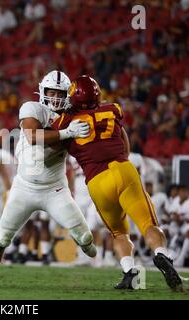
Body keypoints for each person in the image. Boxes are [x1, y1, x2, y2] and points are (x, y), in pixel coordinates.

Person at [0, 70, 96, 284]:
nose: (54, 98)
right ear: (42, 92)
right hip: (24, 188)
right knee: (2, 237)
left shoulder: (74, 117)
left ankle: (87, 246)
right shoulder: (32, 108)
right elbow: (33, 137)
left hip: (55, 189)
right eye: (51, 92)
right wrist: (67, 133)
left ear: (68, 95)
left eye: (60, 93)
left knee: (86, 238)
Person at [52, 75, 183, 291]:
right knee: (149, 224)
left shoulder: (65, 121)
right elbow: (124, 141)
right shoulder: (112, 110)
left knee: (119, 233)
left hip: (97, 180)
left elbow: (55, 147)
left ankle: (129, 273)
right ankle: (161, 254)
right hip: (122, 169)